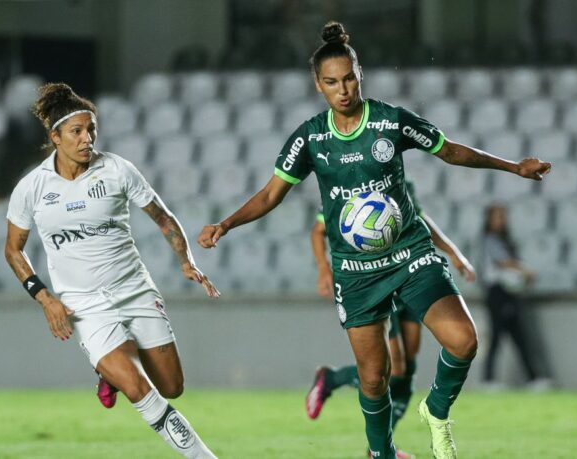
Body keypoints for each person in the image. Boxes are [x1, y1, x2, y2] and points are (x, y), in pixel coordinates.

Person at [198, 21, 551, 458]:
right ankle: (381, 454)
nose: (342, 89)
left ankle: (436, 412)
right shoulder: (311, 138)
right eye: (331, 82)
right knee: (374, 377)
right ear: (318, 85)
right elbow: (272, 193)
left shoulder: (390, 120)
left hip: (410, 254)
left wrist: (513, 167)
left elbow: (450, 150)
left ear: (359, 74)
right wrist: (226, 224)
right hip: (357, 273)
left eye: (349, 78)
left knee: (464, 340)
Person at [4, 83, 219, 459]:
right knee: (139, 388)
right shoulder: (32, 188)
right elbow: (13, 249)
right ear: (55, 137)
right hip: (83, 305)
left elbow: (163, 219)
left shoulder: (117, 170)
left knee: (171, 386)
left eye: (92, 131)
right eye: (77, 132)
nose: (87, 139)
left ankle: (110, 374)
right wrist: (44, 298)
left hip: (134, 289)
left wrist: (187, 261)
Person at [306, 181, 477, 459]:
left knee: (407, 365)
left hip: (411, 267)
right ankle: (334, 379)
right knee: (394, 367)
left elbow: (420, 220)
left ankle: (384, 448)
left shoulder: (398, 181)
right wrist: (323, 268)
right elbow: (319, 230)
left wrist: (454, 255)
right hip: (375, 278)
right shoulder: (340, 186)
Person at [481, 204, 551, 390]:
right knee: (497, 336)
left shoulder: (505, 240)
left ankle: (533, 378)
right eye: (497, 217)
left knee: (519, 336)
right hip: (497, 292)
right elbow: (503, 262)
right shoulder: (489, 240)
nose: (501, 221)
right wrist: (524, 270)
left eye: (502, 217)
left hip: (509, 292)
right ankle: (489, 380)